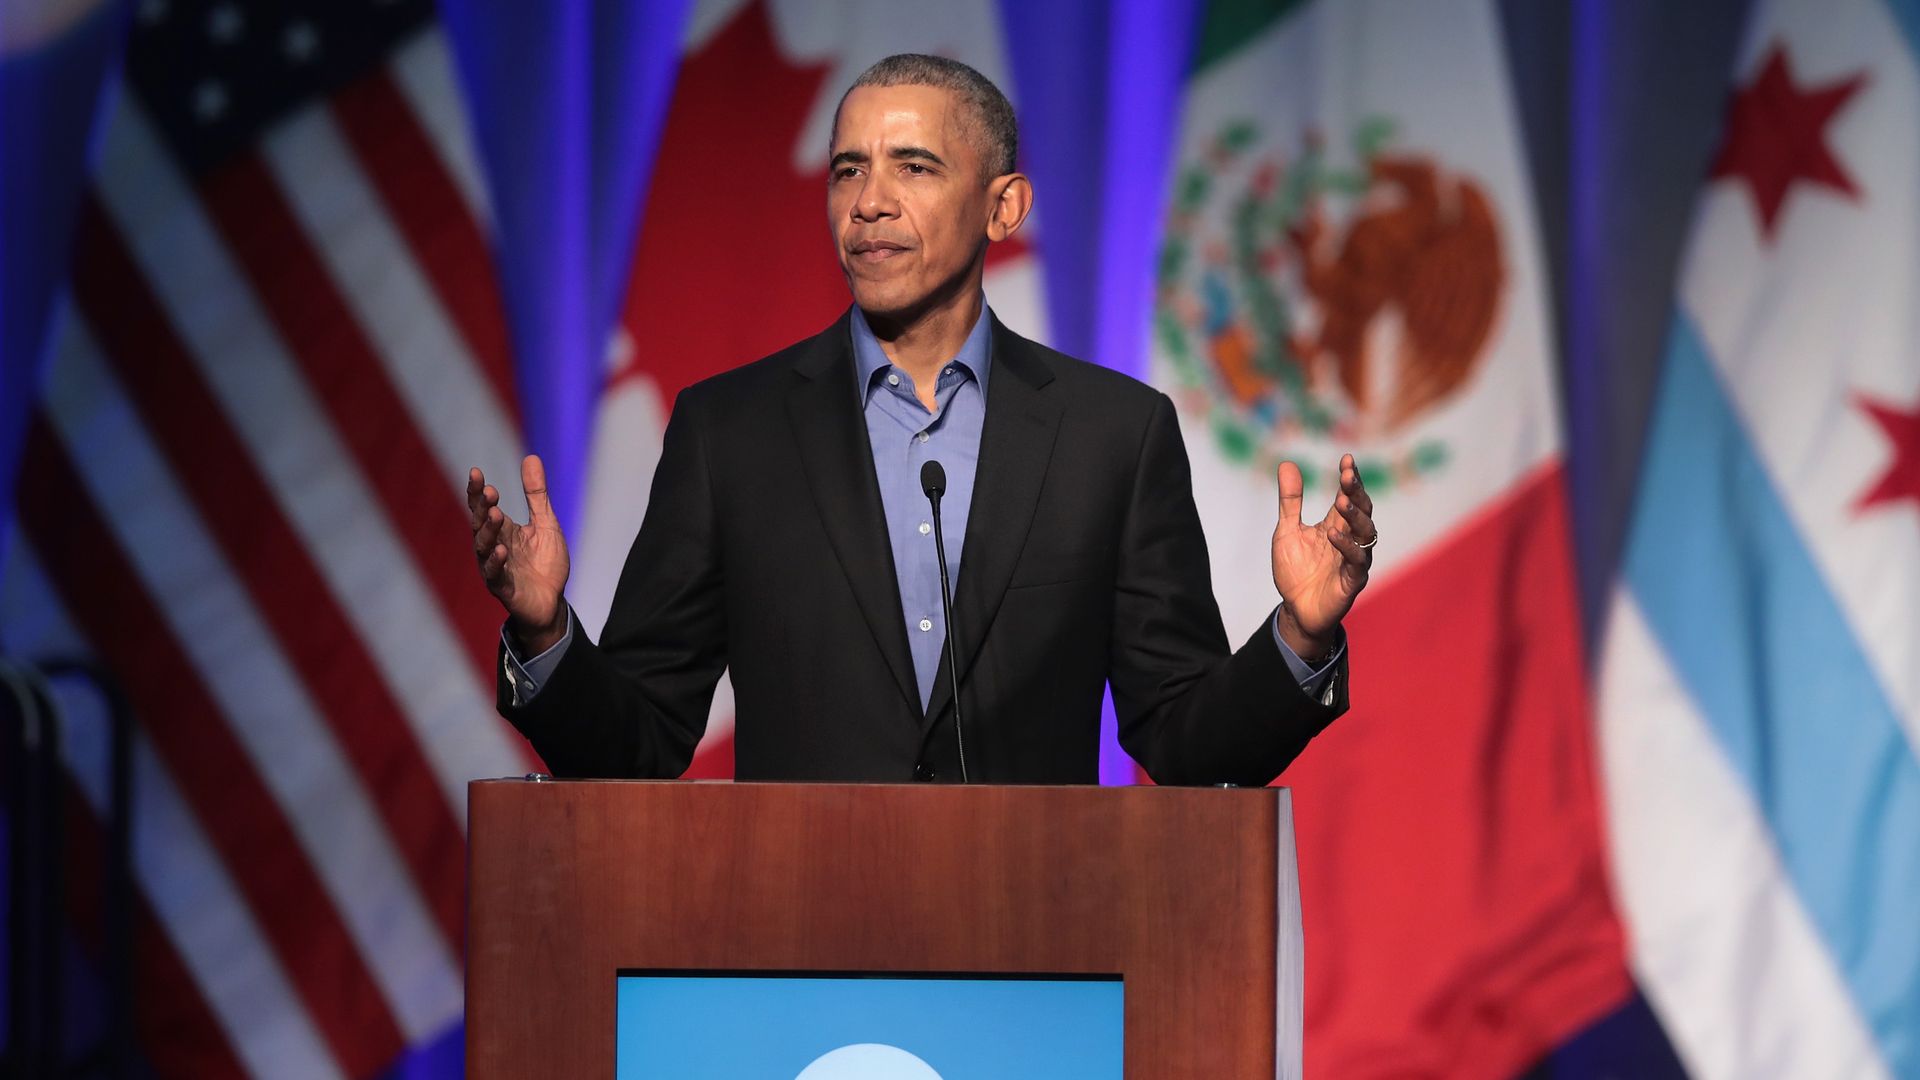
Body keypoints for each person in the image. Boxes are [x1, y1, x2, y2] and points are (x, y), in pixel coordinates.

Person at [465, 54, 1377, 785]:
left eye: (914, 166)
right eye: (848, 170)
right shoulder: (728, 434)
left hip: (1033, 961)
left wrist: (1300, 635)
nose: (869, 203)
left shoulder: (1113, 435)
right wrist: (546, 635)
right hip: (798, 968)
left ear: (1003, 206)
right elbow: (636, 747)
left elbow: (1188, 748)